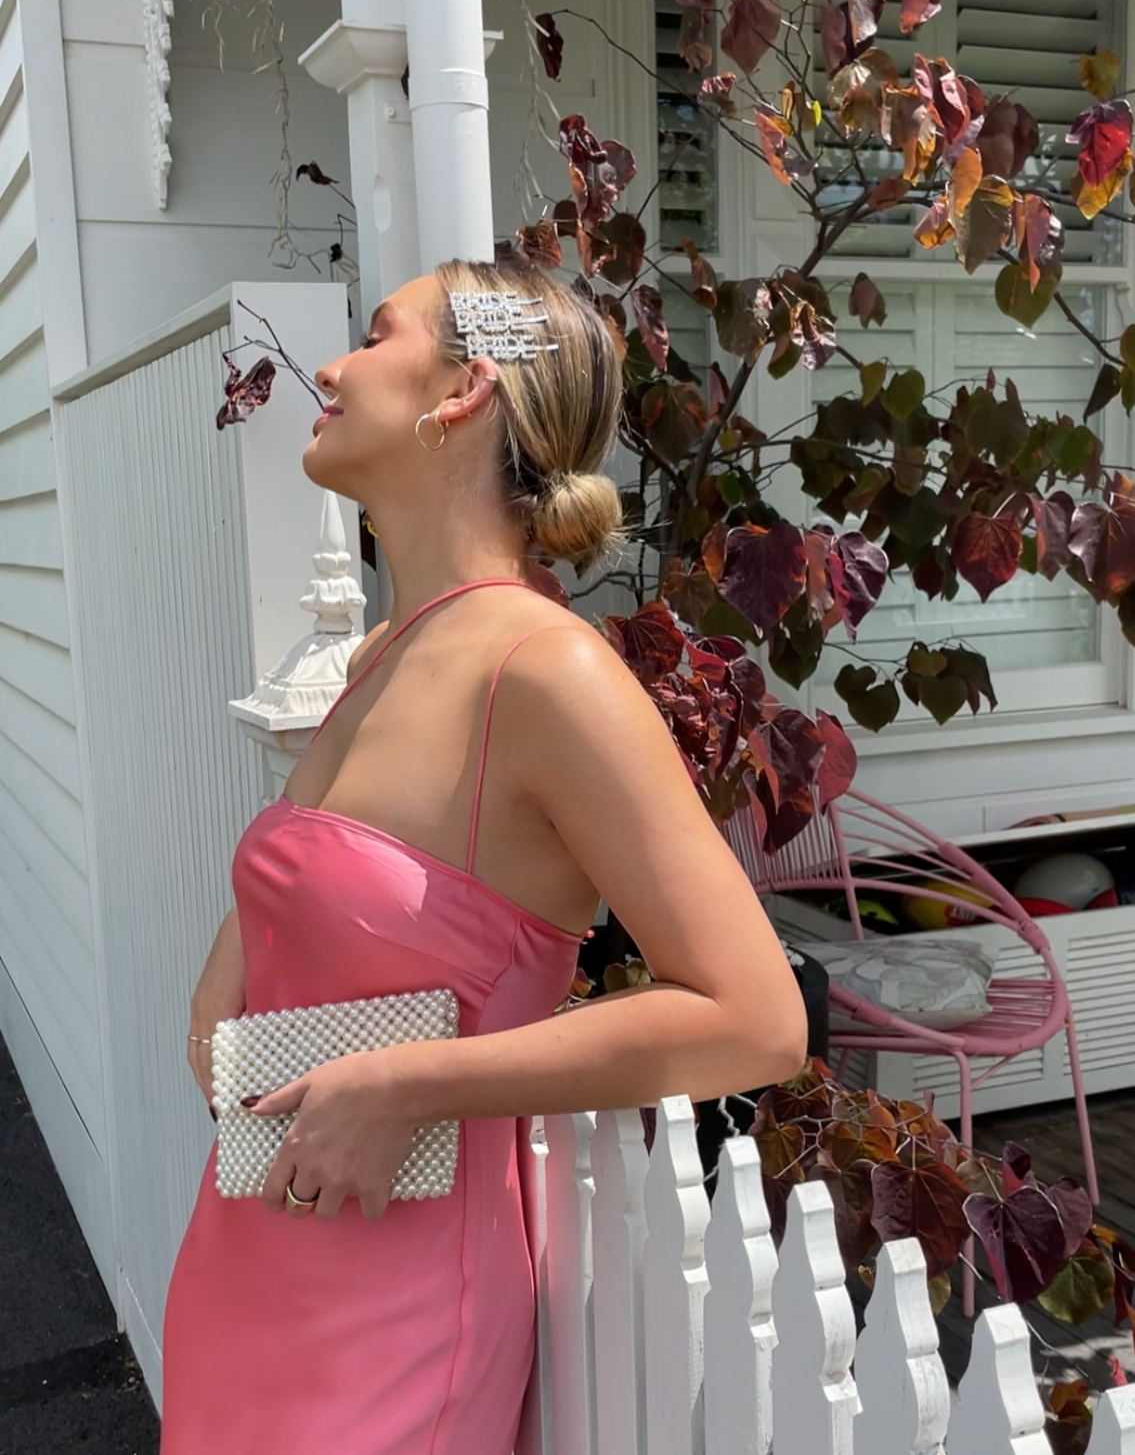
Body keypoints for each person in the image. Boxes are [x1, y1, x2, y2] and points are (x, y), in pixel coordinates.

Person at [160, 260, 806, 1455]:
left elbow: (755, 1017)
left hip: (387, 1318)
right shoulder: (380, 662)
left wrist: (410, 1081)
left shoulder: (544, 673)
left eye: (375, 333)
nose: (335, 366)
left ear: (466, 386)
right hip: (253, 1248)